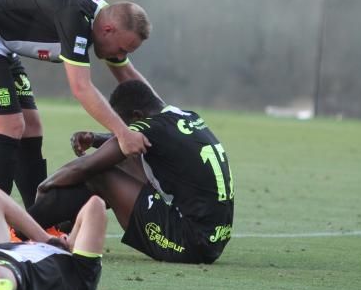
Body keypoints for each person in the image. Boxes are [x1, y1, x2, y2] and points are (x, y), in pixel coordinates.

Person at [0, 0, 153, 209]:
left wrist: (167, 116)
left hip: (0, 42)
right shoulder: (76, 18)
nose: (120, 56)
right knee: (10, 126)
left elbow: (127, 75)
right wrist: (123, 133)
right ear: (108, 30)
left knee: (31, 127)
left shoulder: (102, 18)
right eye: (122, 49)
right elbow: (81, 88)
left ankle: (36, 218)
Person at [25, 80, 233, 264]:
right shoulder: (182, 116)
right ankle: (61, 230)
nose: (121, 133)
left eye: (123, 127)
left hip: (189, 242)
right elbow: (139, 142)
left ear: (137, 116)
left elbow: (86, 166)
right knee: (125, 160)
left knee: (100, 173)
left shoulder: (148, 128)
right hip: (213, 240)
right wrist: (97, 138)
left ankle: (24, 229)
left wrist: (45, 186)